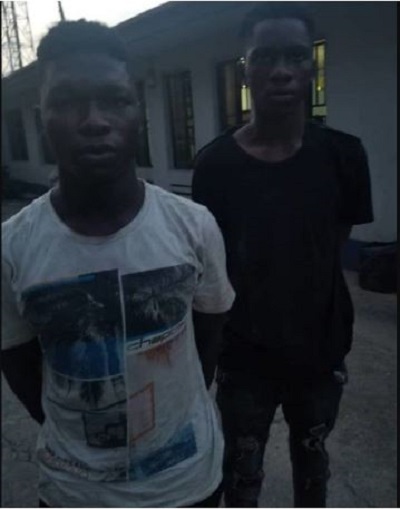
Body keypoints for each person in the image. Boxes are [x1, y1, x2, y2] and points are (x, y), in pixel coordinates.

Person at [1, 20, 235, 508]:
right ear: (43, 115)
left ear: (138, 114)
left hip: (188, 486)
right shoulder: (11, 247)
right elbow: (18, 362)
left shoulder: (193, 226)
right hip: (74, 494)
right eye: (68, 101)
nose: (94, 121)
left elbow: (208, 340)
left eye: (114, 100)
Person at [192, 3, 373, 507]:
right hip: (243, 357)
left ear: (312, 66)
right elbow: (212, 266)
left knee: (313, 469)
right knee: (240, 474)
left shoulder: (344, 156)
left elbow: (329, 245)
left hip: (320, 351)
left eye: (295, 56)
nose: (281, 70)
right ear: (245, 69)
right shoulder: (215, 166)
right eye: (265, 57)